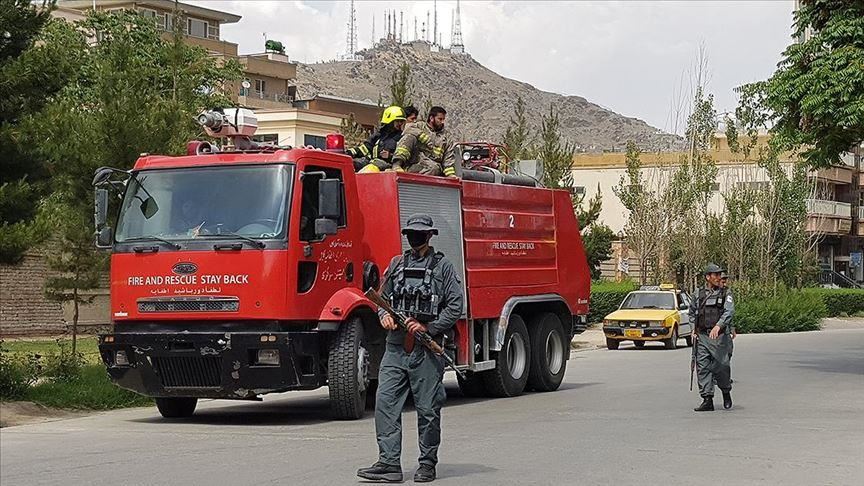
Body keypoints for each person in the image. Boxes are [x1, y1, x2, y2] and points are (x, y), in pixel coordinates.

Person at [357, 214, 463, 483]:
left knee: (428, 409)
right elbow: (381, 300)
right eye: (411, 233)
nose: (414, 237)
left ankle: (427, 463)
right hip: (395, 347)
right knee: (385, 403)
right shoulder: (396, 264)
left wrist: (430, 327)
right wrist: (385, 317)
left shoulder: (443, 268)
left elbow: (455, 306)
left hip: (426, 349)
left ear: (429, 236)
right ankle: (389, 464)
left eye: (420, 233)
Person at [690, 263, 735, 411]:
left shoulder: (725, 293)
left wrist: (719, 326)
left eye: (719, 275)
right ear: (707, 277)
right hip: (702, 336)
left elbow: (729, 312)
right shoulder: (698, 293)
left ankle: (726, 391)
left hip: (719, 337)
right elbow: (692, 312)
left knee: (721, 367)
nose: (718, 277)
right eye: (715, 275)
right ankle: (707, 399)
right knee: (703, 367)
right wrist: (693, 329)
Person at [391, 106, 457, 178]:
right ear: (431, 118)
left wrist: (451, 175)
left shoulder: (447, 137)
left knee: (434, 168)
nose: (442, 122)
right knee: (410, 137)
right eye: (440, 119)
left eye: (443, 119)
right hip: (415, 159)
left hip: (431, 164)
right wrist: (422, 136)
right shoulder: (420, 126)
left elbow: (448, 158)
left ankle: (409, 177)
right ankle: (397, 164)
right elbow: (407, 128)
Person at [347, 105, 407, 172]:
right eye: (397, 121)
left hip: (385, 167)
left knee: (369, 170)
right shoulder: (379, 136)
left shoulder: (401, 137)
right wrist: (349, 153)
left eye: (401, 121)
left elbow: (403, 157)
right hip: (371, 162)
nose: (400, 123)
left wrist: (390, 156)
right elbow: (365, 148)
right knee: (350, 164)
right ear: (390, 121)